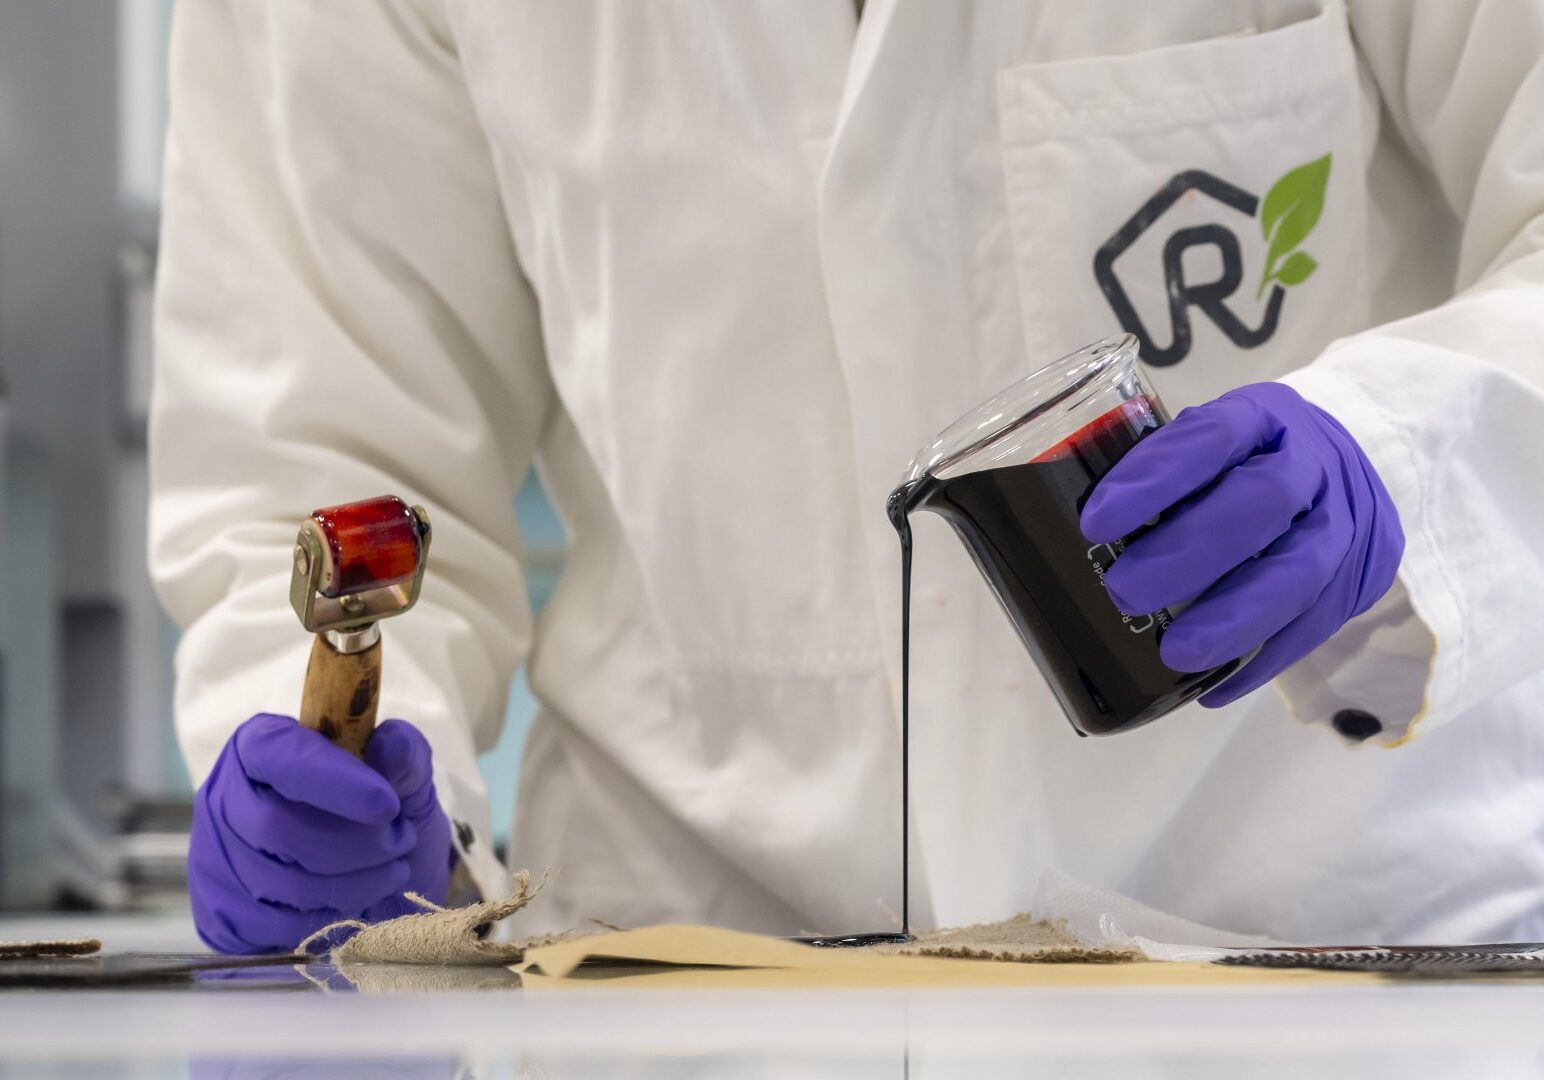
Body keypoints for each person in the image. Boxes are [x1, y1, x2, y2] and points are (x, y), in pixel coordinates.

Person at [152, 0, 1544, 955]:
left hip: (1340, 958)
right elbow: (333, 435)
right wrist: (337, 785)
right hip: (696, 971)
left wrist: (1406, 450)